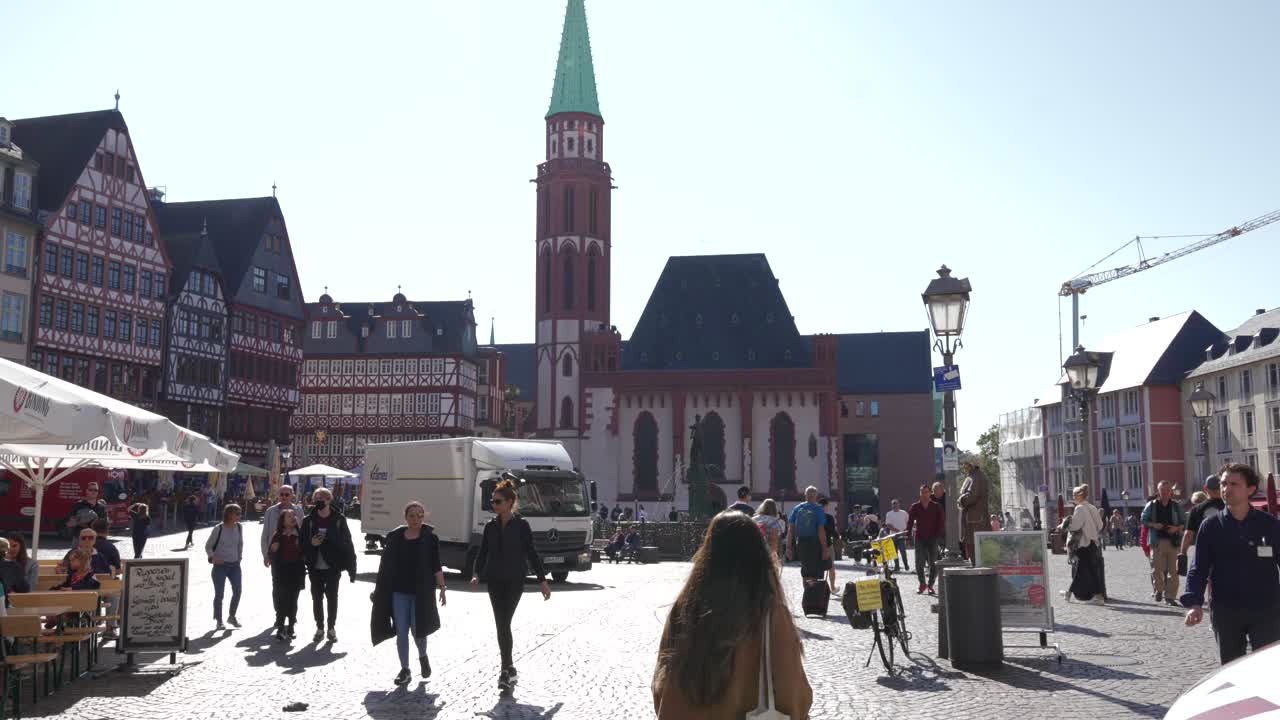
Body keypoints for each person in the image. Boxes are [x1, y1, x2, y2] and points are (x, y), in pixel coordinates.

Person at [652, 511, 812, 718]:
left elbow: (661, 679)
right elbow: (791, 689)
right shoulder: (768, 613)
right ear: (758, 556)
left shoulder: (686, 607)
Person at [1181, 463, 1280, 665]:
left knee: (1267, 667)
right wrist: (1194, 603)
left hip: (1266, 609)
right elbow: (1198, 567)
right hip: (1226, 610)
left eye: (1234, 484)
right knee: (1231, 668)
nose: (1227, 489)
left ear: (1250, 489)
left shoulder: (1269, 525)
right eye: (1224, 483)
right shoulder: (1210, 526)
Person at [469, 478, 551, 690]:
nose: (494, 505)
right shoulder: (490, 526)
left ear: (510, 502)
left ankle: (506, 669)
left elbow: (531, 553)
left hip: (515, 580)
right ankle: (508, 668)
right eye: (493, 501)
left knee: (504, 622)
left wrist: (542, 580)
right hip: (494, 580)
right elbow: (483, 552)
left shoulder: (522, 525)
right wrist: (476, 574)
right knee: (501, 623)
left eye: (497, 501)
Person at [371, 501, 446, 686]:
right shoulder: (396, 537)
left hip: (421, 592)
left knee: (417, 629)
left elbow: (436, 565)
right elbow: (385, 566)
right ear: (405, 518)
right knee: (402, 631)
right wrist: (379, 590)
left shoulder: (430, 538)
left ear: (424, 517)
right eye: (412, 515)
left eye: (419, 515)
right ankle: (405, 669)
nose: (416, 519)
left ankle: (422, 656)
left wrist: (442, 588)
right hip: (399, 591)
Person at [300, 487, 358, 643]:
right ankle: (320, 628)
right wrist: (311, 543)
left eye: (323, 497)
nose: (320, 500)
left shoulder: (339, 519)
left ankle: (331, 628)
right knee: (316, 598)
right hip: (314, 566)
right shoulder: (308, 520)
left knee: (332, 597)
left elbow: (347, 542)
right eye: (317, 497)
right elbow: (302, 543)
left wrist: (352, 566)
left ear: (329, 500)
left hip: (333, 565)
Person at [1142, 480, 1186, 606]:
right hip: (1157, 541)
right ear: (1158, 491)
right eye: (1163, 491)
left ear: (1170, 492)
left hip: (1173, 541)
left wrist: (1177, 528)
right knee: (1157, 568)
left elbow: (1184, 521)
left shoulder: (1176, 506)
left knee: (1174, 571)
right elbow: (1143, 519)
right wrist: (1154, 525)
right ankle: (1159, 590)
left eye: (1167, 490)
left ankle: (1170, 596)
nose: (1165, 493)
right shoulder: (1152, 505)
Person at [1061, 484, 1106, 604]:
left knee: (1081, 571)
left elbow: (1075, 525)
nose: (1073, 497)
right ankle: (1098, 596)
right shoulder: (1092, 507)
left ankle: (1069, 593)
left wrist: (1064, 524)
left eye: (1074, 495)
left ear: (1079, 496)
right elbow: (1100, 525)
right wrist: (1092, 531)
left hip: (1083, 543)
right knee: (1089, 570)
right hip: (1092, 543)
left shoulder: (1079, 508)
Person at [268, 508, 307, 641]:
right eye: (289, 516)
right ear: (283, 522)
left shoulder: (300, 535)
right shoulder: (278, 535)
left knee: (293, 600)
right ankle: (280, 628)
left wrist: (302, 547)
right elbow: (271, 553)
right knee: (281, 600)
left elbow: (306, 553)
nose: (293, 517)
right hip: (281, 571)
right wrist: (273, 551)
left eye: (294, 515)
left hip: (296, 571)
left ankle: (291, 627)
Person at [206, 504, 244, 630]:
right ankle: (219, 620)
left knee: (238, 591)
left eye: (240, 512)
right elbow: (208, 546)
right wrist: (213, 557)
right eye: (237, 513)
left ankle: (232, 616)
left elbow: (240, 543)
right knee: (219, 594)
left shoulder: (239, 527)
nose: (239, 515)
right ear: (229, 514)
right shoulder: (219, 529)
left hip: (235, 565)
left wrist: (240, 554)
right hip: (220, 566)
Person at [906, 484, 945, 595]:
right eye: (922, 492)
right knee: (919, 562)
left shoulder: (936, 506)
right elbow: (909, 523)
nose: (924, 494)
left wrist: (938, 536)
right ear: (920, 493)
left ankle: (931, 585)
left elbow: (941, 522)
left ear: (930, 493)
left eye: (926, 492)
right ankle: (922, 584)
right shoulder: (915, 506)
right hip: (920, 538)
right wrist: (908, 536)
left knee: (934, 563)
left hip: (933, 538)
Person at [786, 486, 828, 587]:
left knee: (805, 568)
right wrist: (825, 549)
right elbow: (821, 531)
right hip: (814, 542)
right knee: (813, 570)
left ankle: (807, 593)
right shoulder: (818, 509)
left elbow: (790, 530)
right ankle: (812, 595)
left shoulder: (797, 508)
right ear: (816, 496)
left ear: (805, 495)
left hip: (800, 542)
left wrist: (788, 547)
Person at [1182, 475, 1225, 572]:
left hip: (1204, 550)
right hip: (1227, 549)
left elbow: (1188, 535)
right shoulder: (1231, 506)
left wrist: (1183, 554)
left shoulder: (1196, 509)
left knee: (1209, 579)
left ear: (1205, 488)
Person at [261, 484, 299, 566]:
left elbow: (302, 531)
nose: (284, 496)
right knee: (277, 578)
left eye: (287, 494)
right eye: (281, 494)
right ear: (278, 495)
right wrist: (265, 555)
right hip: (276, 553)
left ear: (292, 495)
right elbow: (265, 534)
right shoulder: (270, 511)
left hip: (294, 554)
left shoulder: (298, 510)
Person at [819, 498, 839, 595]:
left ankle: (818, 587)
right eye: (827, 506)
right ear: (825, 506)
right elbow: (832, 531)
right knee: (831, 567)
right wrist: (837, 536)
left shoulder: (815, 516)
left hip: (817, 544)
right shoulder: (829, 517)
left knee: (819, 567)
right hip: (827, 544)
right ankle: (832, 588)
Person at [884, 499, 910, 572]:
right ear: (892, 505)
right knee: (894, 552)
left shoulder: (904, 513)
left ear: (899, 504)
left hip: (902, 536)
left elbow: (908, 522)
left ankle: (906, 565)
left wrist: (906, 530)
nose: (895, 505)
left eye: (896, 503)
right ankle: (897, 566)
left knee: (903, 551)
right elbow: (888, 525)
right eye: (893, 504)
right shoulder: (889, 514)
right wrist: (897, 530)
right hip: (893, 536)